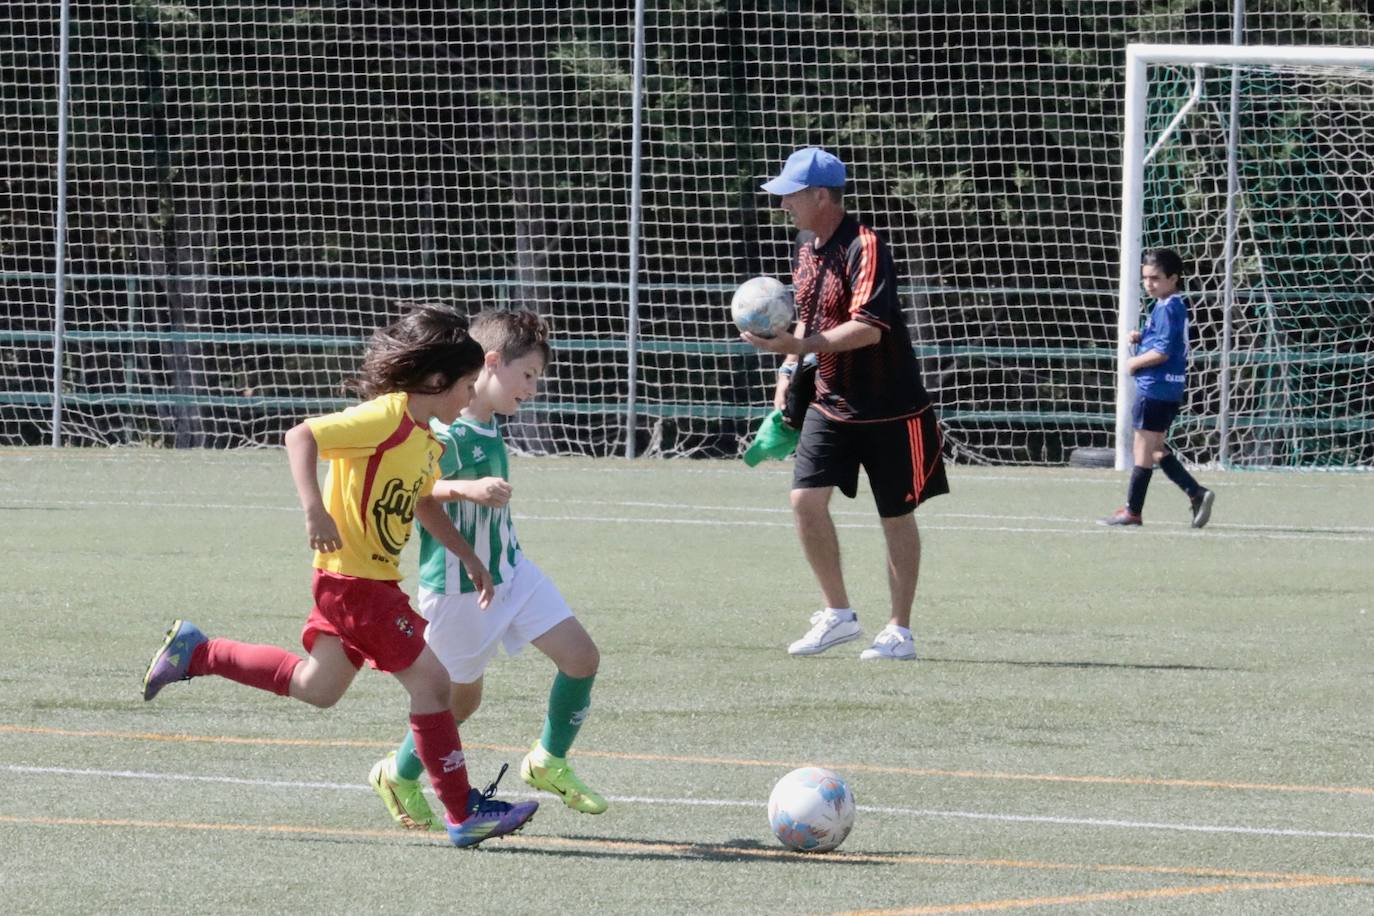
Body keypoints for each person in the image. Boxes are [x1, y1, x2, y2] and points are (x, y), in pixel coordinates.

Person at [139, 302, 539, 848]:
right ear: (439, 379)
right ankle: (463, 811)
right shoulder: (389, 415)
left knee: (317, 687)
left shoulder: (427, 440)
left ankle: (198, 652)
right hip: (353, 584)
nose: (472, 396)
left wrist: (468, 556)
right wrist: (314, 509)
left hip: (364, 582)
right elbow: (300, 436)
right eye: (468, 385)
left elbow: (421, 501)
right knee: (434, 683)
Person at [368, 308, 606, 832]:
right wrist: (465, 489)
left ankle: (548, 760)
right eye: (529, 375)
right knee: (456, 702)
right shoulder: (446, 433)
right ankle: (397, 773)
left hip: (513, 574)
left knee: (582, 658)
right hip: (459, 589)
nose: (534, 388)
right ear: (491, 363)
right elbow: (415, 493)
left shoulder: (487, 424)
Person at [743, 146, 949, 661]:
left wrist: (799, 348)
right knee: (804, 500)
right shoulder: (805, 245)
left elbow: (869, 330)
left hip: (891, 408)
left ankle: (899, 630)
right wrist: (789, 369)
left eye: (790, 195)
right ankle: (837, 614)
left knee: (895, 516)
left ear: (819, 195)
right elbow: (808, 315)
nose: (783, 204)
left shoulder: (866, 246)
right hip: (830, 402)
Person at [1100, 248, 1215, 528]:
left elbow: (1163, 352)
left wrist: (1134, 362)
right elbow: (1164, 341)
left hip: (1154, 387)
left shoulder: (1168, 307)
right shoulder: (1170, 305)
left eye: (1155, 278)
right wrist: (1142, 337)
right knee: (1155, 449)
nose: (1149, 283)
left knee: (1142, 447)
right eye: (1146, 278)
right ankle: (1195, 492)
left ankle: (1132, 511)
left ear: (1173, 278)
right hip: (1171, 388)